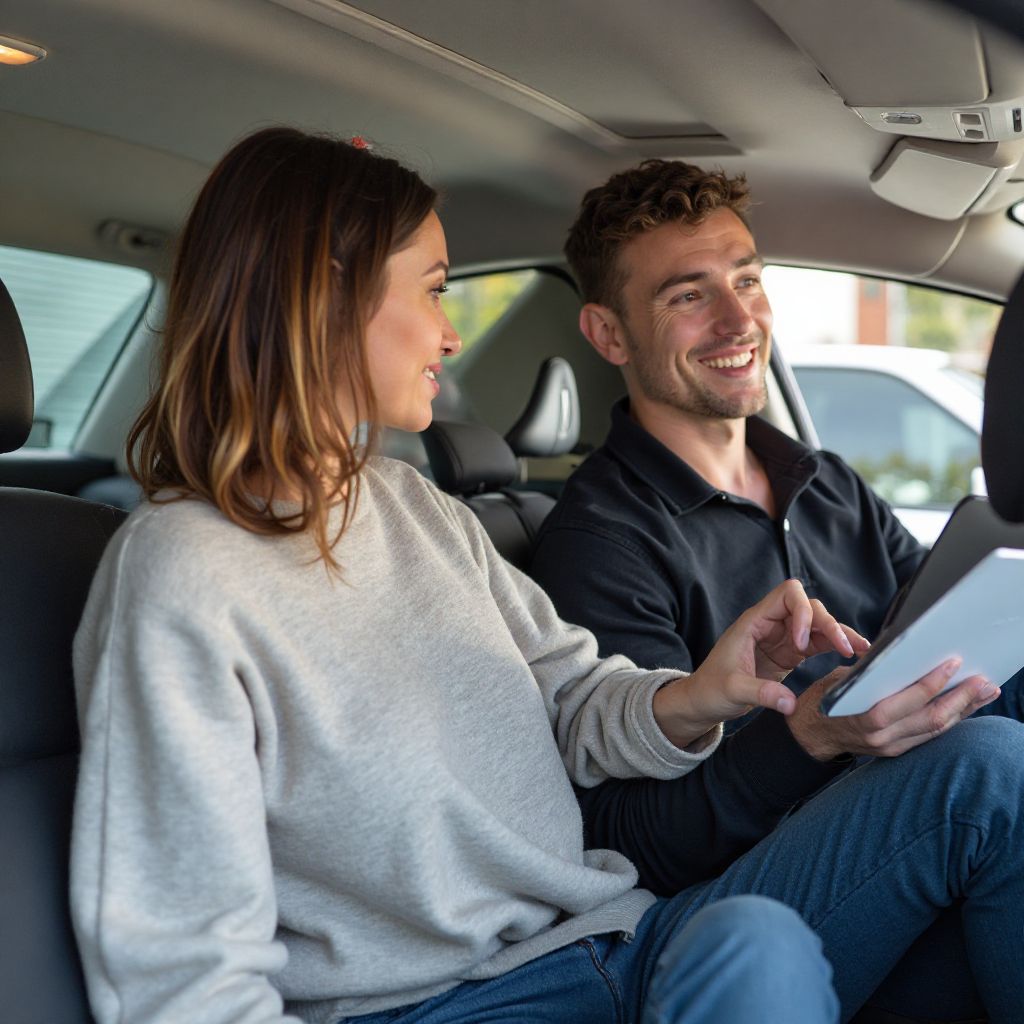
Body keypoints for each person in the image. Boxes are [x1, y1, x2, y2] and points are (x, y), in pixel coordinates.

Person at [68, 127, 854, 1024]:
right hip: (422, 1007)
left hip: (605, 943)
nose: (449, 332)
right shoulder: (182, 571)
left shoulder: (415, 505)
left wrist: (704, 693)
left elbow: (573, 699)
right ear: (324, 297)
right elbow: (184, 967)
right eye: (435, 291)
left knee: (760, 938)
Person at [528, 158, 1024, 1019]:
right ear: (609, 336)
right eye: (688, 296)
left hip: (914, 861)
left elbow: (944, 634)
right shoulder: (598, 542)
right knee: (987, 767)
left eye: (748, 280)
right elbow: (624, 843)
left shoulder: (822, 479)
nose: (737, 318)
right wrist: (810, 739)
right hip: (743, 916)